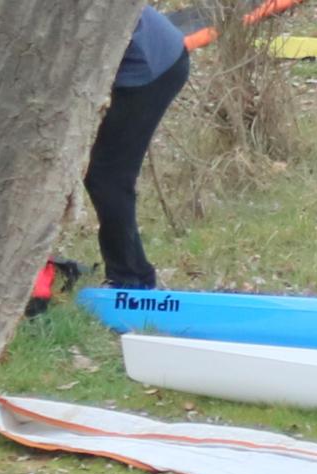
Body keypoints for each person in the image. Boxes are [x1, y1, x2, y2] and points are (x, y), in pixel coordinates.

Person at [85, 10, 193, 294]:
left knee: (107, 177)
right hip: (148, 51)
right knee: (106, 176)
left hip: (150, 67)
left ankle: (128, 283)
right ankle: (136, 274)